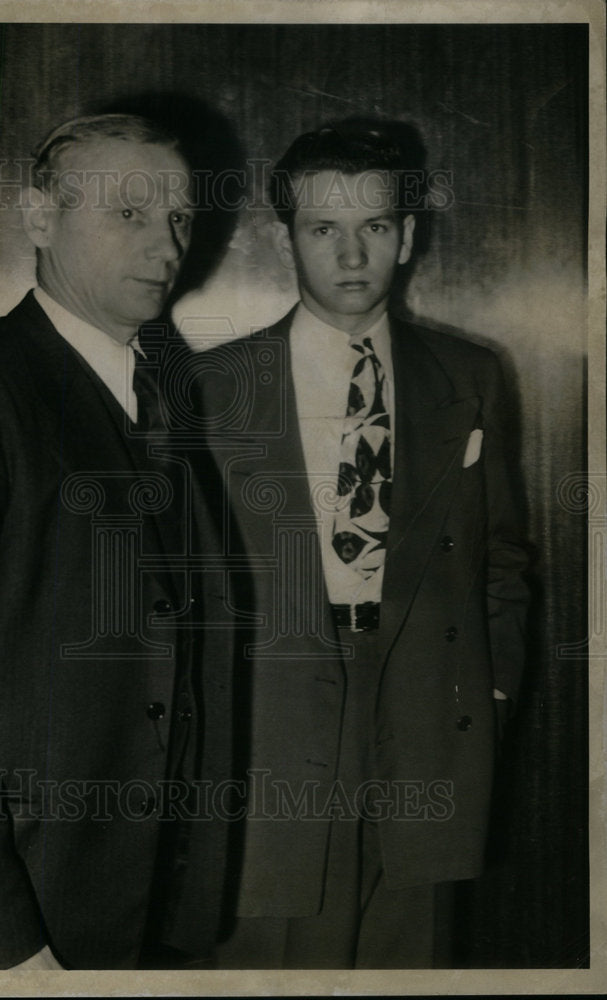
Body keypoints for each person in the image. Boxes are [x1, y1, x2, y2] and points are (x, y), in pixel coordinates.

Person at [0, 113, 238, 969]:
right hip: (5, 923)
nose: (166, 244)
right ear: (38, 218)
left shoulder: (159, 395)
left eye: (179, 217)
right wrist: (0, 944)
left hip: (124, 908)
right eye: (128, 214)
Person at [196, 120, 531, 968]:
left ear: (407, 235)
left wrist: (486, 699)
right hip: (269, 720)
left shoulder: (469, 376)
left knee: (405, 956)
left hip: (424, 714)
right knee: (266, 952)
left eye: (374, 228)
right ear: (288, 240)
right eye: (323, 230)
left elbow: (501, 559)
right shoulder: (211, 388)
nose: (351, 256)